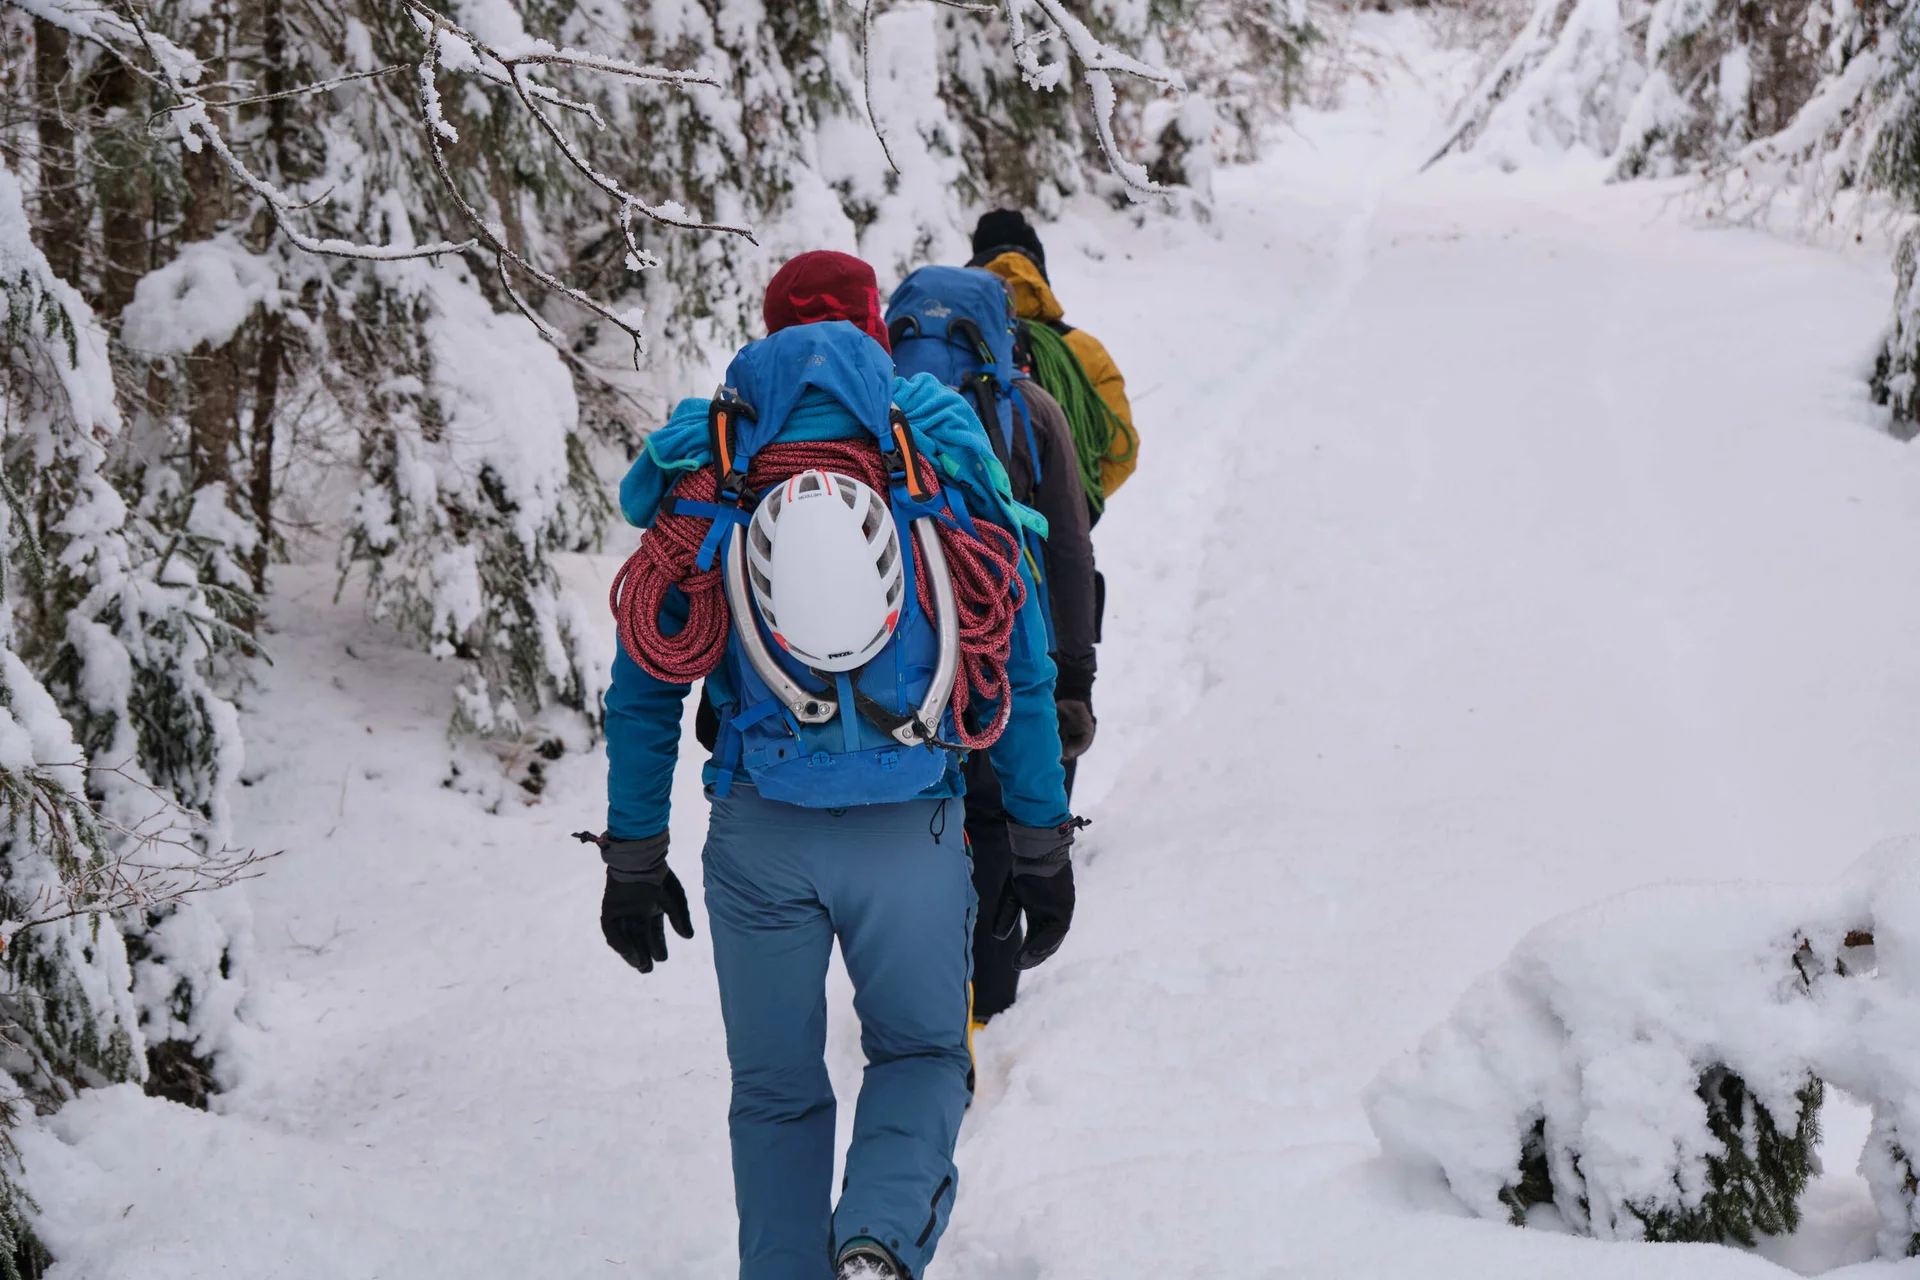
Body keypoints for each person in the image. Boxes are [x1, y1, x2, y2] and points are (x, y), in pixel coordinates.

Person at [589, 249, 1082, 1280]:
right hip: (913, 824)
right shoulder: (933, 440)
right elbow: (1023, 666)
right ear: (874, 328)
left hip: (760, 829)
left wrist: (635, 856)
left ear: (767, 330)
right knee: (920, 1053)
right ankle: (878, 1239)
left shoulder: (711, 455)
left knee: (773, 1088)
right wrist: (1038, 843)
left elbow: (645, 681)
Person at [886, 265, 1098, 1025]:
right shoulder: (1030, 408)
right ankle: (991, 997)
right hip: (1008, 646)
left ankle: (924, 996)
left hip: (905, 659)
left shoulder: (877, 409)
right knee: (997, 812)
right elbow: (1070, 551)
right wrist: (1076, 676)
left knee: (921, 820)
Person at [968, 209, 1139, 504]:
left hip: (963, 536)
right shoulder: (1083, 349)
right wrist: (1071, 507)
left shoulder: (954, 341)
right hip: (1057, 537)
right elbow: (1121, 452)